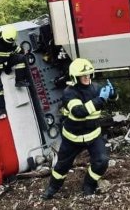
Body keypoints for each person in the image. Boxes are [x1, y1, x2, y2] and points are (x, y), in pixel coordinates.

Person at [42, 58, 115, 199]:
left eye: (89, 74)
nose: (87, 77)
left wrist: (113, 93)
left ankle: (89, 185)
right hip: (72, 138)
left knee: (102, 161)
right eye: (83, 75)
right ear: (75, 77)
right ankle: (52, 188)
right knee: (62, 167)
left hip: (93, 135)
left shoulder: (96, 87)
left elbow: (113, 97)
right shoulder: (69, 93)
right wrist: (100, 100)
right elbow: (79, 111)